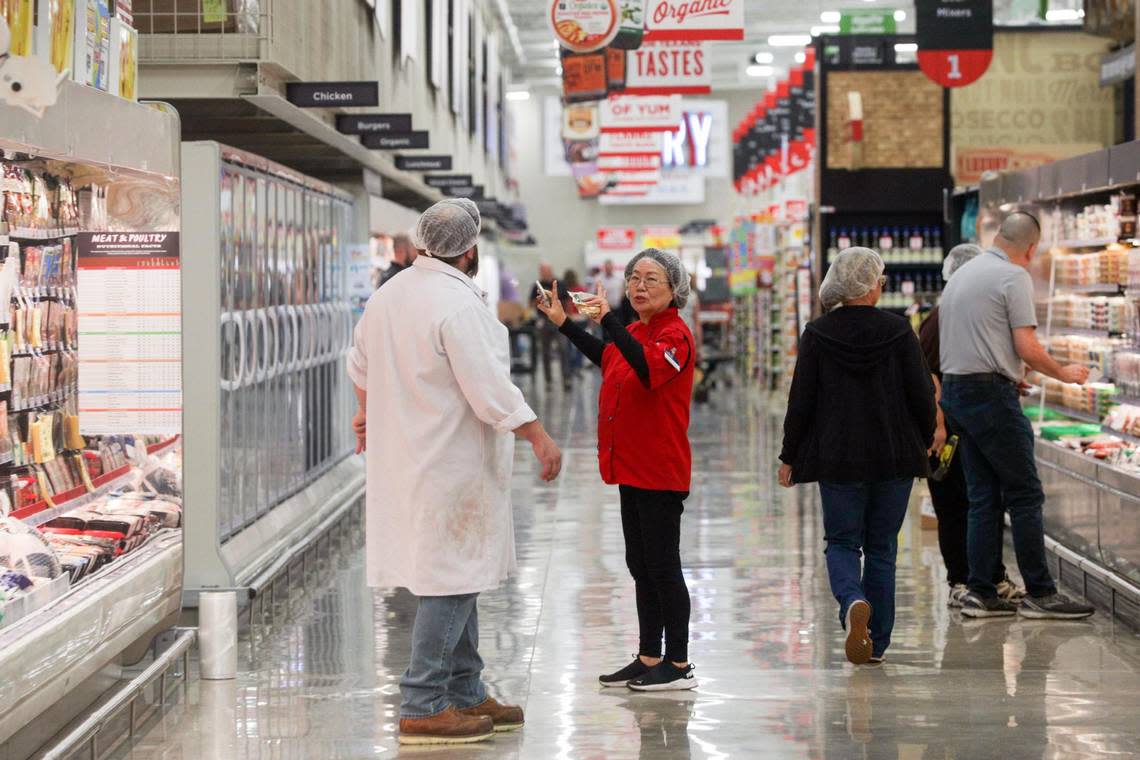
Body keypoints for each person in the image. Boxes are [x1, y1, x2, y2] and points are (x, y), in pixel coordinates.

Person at [347, 198, 563, 745]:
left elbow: (358, 363)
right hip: (448, 460)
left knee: (456, 573)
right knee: (451, 577)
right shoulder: (457, 304)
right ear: (469, 250)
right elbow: (488, 387)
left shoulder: (388, 294)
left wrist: (362, 409)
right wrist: (537, 434)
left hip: (409, 456)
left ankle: (467, 691)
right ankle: (422, 703)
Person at [537, 248, 698, 691]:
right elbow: (609, 357)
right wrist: (565, 324)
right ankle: (650, 655)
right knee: (640, 564)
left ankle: (679, 664)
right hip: (630, 467)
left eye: (651, 279)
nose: (639, 286)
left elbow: (646, 370)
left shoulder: (675, 337)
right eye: (634, 278)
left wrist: (607, 319)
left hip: (660, 468)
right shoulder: (635, 331)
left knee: (664, 566)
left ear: (674, 291)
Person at [778, 247, 936, 666]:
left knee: (843, 542)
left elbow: (802, 401)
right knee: (882, 548)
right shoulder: (900, 331)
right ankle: (877, 644)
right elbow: (921, 395)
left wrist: (788, 456)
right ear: (871, 285)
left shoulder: (817, 332)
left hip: (838, 456)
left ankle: (851, 600)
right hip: (894, 455)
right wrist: (923, 444)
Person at [939, 212, 1096, 620]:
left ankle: (981, 591)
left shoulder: (962, 274)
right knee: (1025, 494)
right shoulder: (1013, 277)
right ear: (1030, 248)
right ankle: (1041, 594)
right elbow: (1025, 344)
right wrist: (1064, 374)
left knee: (983, 497)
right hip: (990, 395)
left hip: (958, 393)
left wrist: (1010, 373)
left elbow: (976, 340)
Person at [920, 244, 1025, 608]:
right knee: (956, 507)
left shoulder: (956, 314)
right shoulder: (941, 318)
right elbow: (928, 377)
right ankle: (962, 581)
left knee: (981, 503)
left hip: (967, 424)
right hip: (948, 431)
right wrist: (937, 427)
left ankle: (989, 578)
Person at [530, 262, 572, 390]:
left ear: (550, 270)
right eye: (542, 271)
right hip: (544, 320)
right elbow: (531, 303)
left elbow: (566, 301)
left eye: (546, 270)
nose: (544, 273)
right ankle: (548, 380)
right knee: (545, 351)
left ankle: (566, 378)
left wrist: (567, 316)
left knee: (563, 349)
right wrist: (538, 300)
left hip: (559, 320)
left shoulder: (559, 284)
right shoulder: (536, 286)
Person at [561, 269, 588, 375]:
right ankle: (578, 365)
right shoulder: (580, 289)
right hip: (580, 319)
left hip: (568, 319)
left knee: (568, 345)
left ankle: (570, 366)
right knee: (580, 345)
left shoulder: (564, 290)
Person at [600, 258, 633, 324]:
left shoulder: (618, 279)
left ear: (612, 267)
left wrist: (621, 296)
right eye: (607, 268)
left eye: (610, 267)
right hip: (605, 308)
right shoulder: (600, 280)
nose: (608, 269)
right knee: (606, 328)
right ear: (604, 268)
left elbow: (624, 289)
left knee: (618, 325)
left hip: (618, 308)